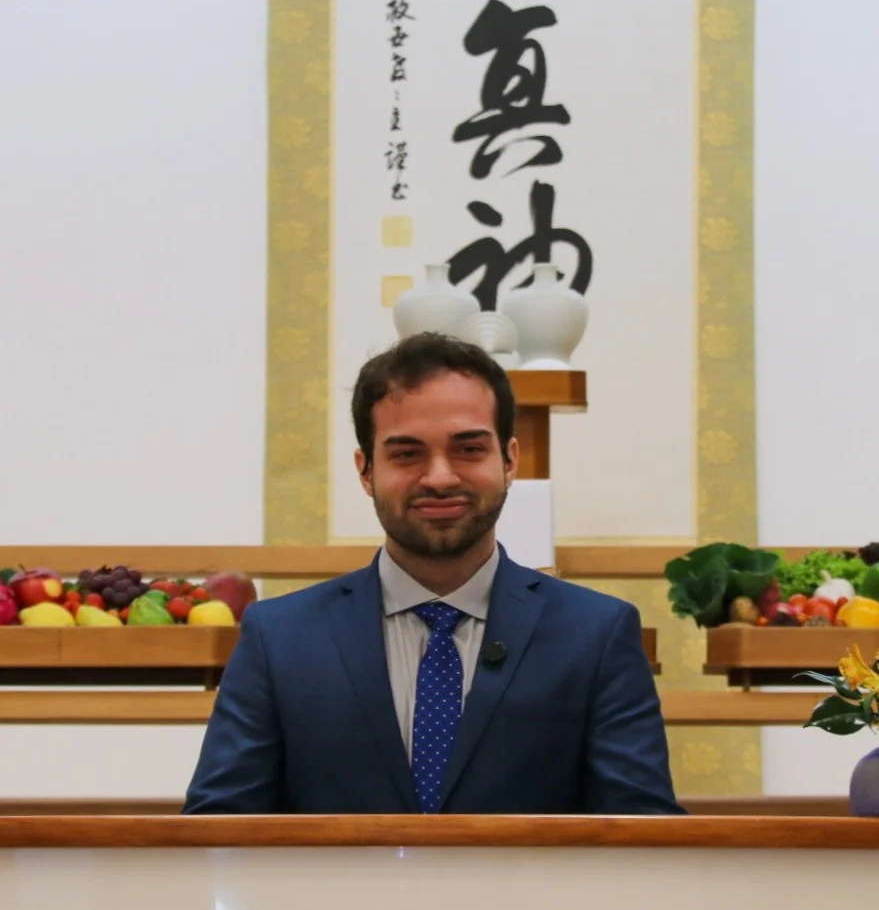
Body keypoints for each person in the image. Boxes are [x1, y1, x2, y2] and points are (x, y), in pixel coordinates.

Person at [183, 332, 683, 815]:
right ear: (366, 470)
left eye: (469, 449)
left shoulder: (596, 635)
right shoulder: (278, 639)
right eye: (407, 454)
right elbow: (217, 832)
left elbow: (644, 838)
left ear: (510, 461)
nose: (440, 477)